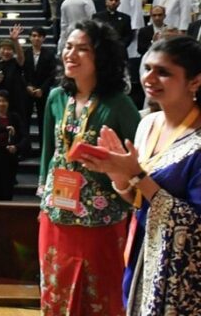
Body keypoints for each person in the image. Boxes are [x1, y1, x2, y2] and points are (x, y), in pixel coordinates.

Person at [80, 36, 201, 314]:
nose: (150, 78)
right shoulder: (147, 123)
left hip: (184, 269)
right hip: (144, 247)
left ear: (194, 82)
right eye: (147, 68)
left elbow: (194, 222)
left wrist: (136, 175)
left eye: (164, 72)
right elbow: (136, 198)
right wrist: (119, 176)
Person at [38, 20, 141, 316]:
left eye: (83, 49)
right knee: (55, 290)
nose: (71, 54)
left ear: (101, 57)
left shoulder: (119, 104)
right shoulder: (57, 97)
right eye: (68, 47)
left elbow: (139, 157)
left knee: (101, 294)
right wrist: (42, 198)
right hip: (56, 212)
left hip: (102, 218)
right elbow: (50, 149)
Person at [23, 26, 56, 136]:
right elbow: (21, 73)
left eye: (39, 36)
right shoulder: (24, 53)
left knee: (43, 121)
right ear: (30, 38)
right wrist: (27, 86)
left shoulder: (49, 54)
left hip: (43, 91)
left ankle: (43, 149)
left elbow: (52, 74)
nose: (36, 38)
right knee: (25, 121)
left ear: (43, 38)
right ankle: (24, 149)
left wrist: (42, 89)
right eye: (34, 36)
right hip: (27, 91)